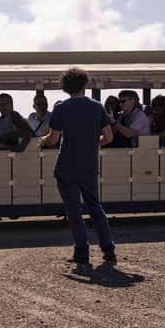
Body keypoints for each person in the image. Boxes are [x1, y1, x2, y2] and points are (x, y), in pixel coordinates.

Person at [40, 67, 116, 271]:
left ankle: (82, 254)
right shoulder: (97, 107)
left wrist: (43, 140)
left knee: (74, 211)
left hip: (66, 166)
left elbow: (54, 138)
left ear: (65, 87)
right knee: (95, 207)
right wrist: (92, 142)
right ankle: (108, 250)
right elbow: (109, 137)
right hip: (89, 165)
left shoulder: (61, 108)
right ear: (85, 84)